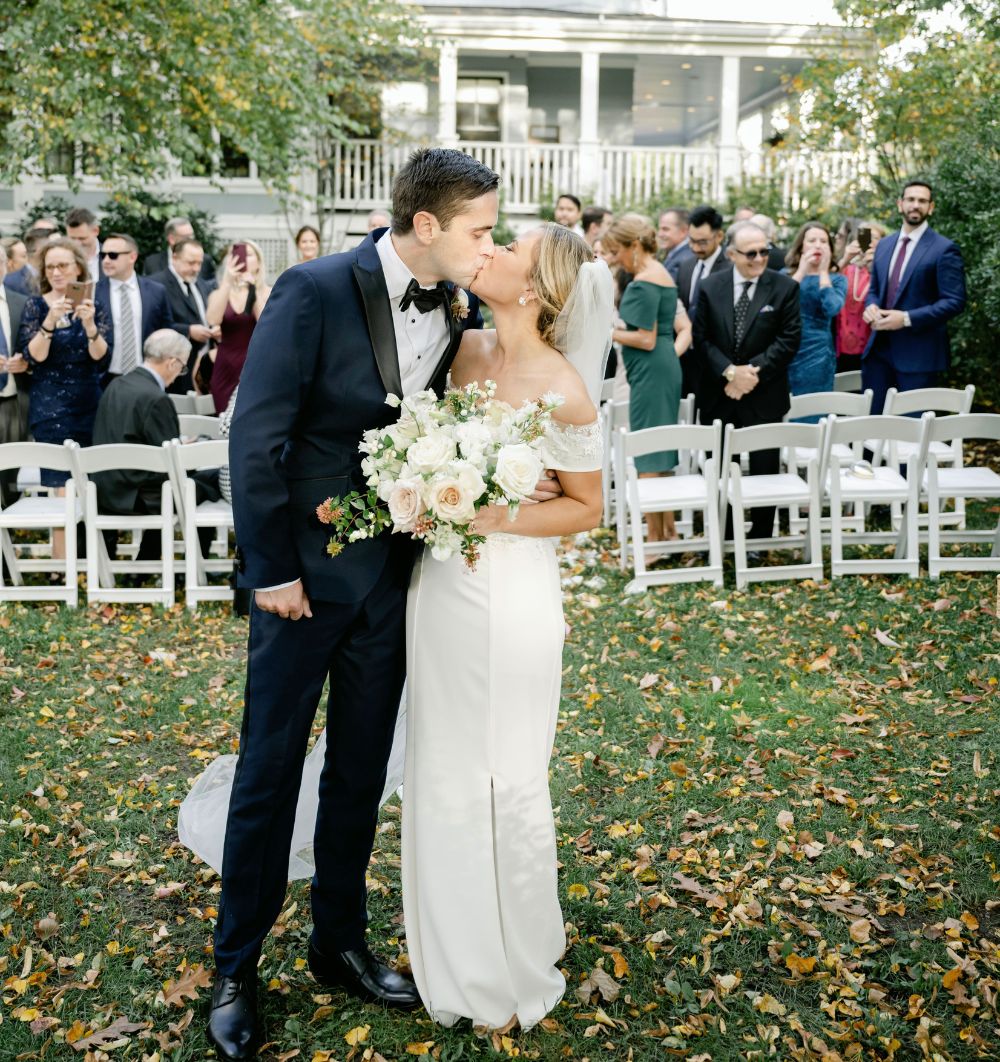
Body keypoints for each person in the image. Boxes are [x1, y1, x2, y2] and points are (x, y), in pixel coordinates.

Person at [201, 148, 500, 1061]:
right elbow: (256, 439)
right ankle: (235, 966)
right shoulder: (313, 288)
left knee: (361, 771)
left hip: (393, 582)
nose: (488, 248)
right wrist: (271, 570)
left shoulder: (456, 307)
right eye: (479, 231)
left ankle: (338, 941)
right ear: (424, 226)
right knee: (271, 769)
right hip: (299, 584)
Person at [692, 221, 801, 541]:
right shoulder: (711, 286)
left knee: (767, 469)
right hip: (719, 393)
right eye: (750, 253)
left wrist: (750, 374)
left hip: (764, 393)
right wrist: (730, 372)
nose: (758, 258)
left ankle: (762, 538)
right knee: (722, 467)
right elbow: (702, 339)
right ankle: (725, 534)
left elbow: (789, 340)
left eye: (764, 252)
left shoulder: (785, 288)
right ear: (732, 253)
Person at [18, 237, 110, 557]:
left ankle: (86, 557)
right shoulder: (36, 305)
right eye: (51, 267)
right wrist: (48, 322)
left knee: (86, 480)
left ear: (78, 269)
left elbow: (101, 357)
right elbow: (34, 357)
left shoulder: (94, 306)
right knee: (58, 482)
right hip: (50, 406)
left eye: (63, 266)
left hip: (87, 403)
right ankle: (62, 563)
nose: (57, 272)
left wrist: (88, 324)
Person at [603, 214, 691, 541]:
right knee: (660, 451)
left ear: (635, 246)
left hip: (652, 371)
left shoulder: (645, 280)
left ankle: (655, 538)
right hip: (659, 369)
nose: (616, 258)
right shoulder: (658, 274)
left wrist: (607, 332)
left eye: (618, 251)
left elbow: (645, 338)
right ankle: (666, 531)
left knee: (648, 454)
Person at [862, 180, 967, 412]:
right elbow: (874, 291)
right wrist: (871, 307)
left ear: (931, 207)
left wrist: (906, 318)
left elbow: (955, 301)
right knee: (871, 430)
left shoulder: (944, 249)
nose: (915, 205)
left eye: (922, 201)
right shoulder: (884, 245)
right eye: (910, 199)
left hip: (919, 357)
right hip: (878, 353)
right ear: (900, 204)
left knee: (912, 437)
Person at [91, 330, 189, 560]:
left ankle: (142, 564)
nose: (180, 373)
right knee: (198, 485)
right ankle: (151, 563)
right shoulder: (157, 399)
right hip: (136, 495)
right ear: (172, 363)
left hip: (104, 488)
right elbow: (172, 462)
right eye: (183, 367)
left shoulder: (115, 385)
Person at [94, 233, 176, 387]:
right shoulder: (94, 292)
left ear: (132, 257)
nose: (106, 261)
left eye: (113, 255)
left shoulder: (156, 291)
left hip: (146, 376)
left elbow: (166, 332)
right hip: (104, 379)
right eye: (102, 255)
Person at [204, 240, 271, 413]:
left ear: (259, 262)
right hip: (225, 366)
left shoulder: (269, 292)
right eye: (238, 255)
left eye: (249, 255)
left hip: (256, 364)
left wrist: (253, 290)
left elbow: (267, 324)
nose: (244, 260)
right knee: (224, 422)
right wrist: (227, 282)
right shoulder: (220, 292)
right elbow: (212, 319)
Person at [147, 238, 220, 393]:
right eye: (190, 263)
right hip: (175, 369)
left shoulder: (201, 284)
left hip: (206, 369)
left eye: (199, 263)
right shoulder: (155, 285)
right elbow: (153, 325)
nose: (196, 268)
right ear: (174, 258)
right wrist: (188, 331)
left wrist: (215, 329)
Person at [785, 222, 847, 401]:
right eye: (812, 240)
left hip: (818, 355)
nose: (818, 245)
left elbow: (832, 308)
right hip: (785, 350)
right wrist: (802, 272)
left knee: (813, 408)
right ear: (801, 246)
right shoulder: (785, 275)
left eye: (823, 241)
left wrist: (823, 273)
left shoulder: (837, 280)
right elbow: (777, 303)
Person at [675, 205, 730, 401]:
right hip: (686, 356)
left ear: (719, 236)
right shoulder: (686, 265)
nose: (696, 247)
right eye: (692, 241)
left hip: (715, 359)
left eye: (703, 242)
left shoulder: (731, 269)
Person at [0, 243, 31, 504]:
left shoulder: (20, 302)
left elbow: (35, 349)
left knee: (10, 478)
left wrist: (26, 363)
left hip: (13, 399)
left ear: (6, 267)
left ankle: (6, 541)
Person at [835, 221, 886, 373]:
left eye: (874, 237)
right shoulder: (847, 268)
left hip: (871, 342)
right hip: (841, 341)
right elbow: (828, 285)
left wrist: (876, 266)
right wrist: (845, 258)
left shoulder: (885, 270)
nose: (869, 241)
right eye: (865, 235)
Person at [142, 216, 218, 288]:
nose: (191, 240)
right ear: (171, 239)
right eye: (186, 237)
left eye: (192, 236)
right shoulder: (152, 262)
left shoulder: (205, 260)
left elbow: (211, 288)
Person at [65, 207, 102, 283]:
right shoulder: (62, 258)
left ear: (96, 231)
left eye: (82, 238)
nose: (77, 244)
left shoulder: (111, 255)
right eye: (72, 239)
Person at [657, 208, 694, 278]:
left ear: (683, 231)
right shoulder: (675, 254)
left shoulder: (684, 261)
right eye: (659, 229)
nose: (660, 234)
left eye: (665, 229)